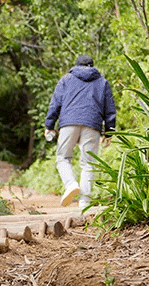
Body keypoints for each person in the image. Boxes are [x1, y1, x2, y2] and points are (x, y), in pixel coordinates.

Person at [44, 53, 116, 208]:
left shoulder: (66, 79)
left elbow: (55, 104)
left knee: (63, 158)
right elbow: (110, 109)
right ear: (92, 66)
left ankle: (70, 185)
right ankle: (84, 202)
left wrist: (49, 125)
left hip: (69, 123)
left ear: (76, 66)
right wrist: (109, 132)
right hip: (92, 124)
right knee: (88, 163)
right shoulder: (102, 82)